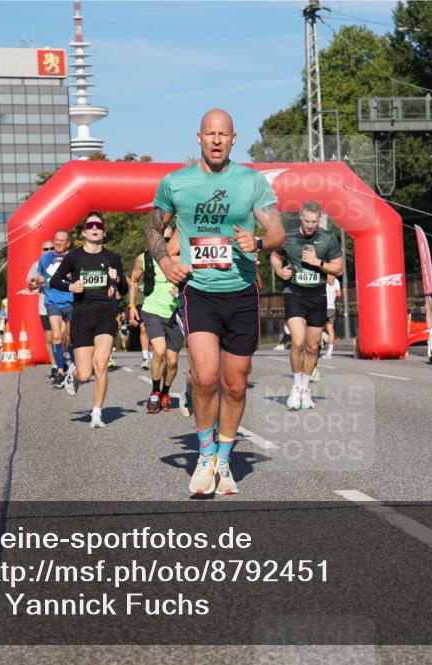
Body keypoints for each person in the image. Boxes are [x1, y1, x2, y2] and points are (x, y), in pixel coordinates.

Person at [147, 107, 285, 495]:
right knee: (205, 378)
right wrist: (166, 261)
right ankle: (205, 455)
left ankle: (224, 459)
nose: (217, 140)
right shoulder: (176, 183)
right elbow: (153, 228)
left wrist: (256, 242)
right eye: (210, 134)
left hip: (241, 291)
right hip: (200, 292)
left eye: (224, 134)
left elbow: (276, 231)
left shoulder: (251, 182)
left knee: (236, 383)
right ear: (199, 138)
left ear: (233, 139)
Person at [49, 214, 128, 428]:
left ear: (103, 232)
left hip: (105, 314)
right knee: (85, 374)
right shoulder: (74, 257)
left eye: (99, 226)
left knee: (101, 365)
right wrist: (70, 287)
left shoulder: (112, 257)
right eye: (90, 226)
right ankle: (73, 375)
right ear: (84, 232)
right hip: (82, 315)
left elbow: (124, 290)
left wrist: (118, 279)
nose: (95, 229)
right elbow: (54, 280)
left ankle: (97, 413)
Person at [270, 200, 343, 410]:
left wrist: (317, 262)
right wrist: (278, 271)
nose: (310, 225)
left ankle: (304, 388)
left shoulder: (328, 239)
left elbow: (338, 270)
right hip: (294, 293)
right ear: (301, 218)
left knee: (312, 346)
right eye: (307, 221)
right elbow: (275, 257)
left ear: (319, 219)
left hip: (317, 296)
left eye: (314, 221)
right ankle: (295, 386)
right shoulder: (289, 238)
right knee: (298, 342)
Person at [131, 226, 183, 414]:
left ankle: (165, 392)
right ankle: (154, 391)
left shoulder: (183, 259)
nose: (165, 244)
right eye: (161, 240)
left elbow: (197, 282)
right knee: (159, 351)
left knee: (173, 361)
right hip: (152, 311)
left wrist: (182, 290)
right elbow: (135, 281)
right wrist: (132, 307)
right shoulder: (144, 259)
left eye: (169, 240)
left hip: (175, 313)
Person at [38, 230, 75, 387]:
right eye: (56, 240)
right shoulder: (46, 258)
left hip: (71, 301)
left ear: (68, 243)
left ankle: (74, 368)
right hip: (52, 302)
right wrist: (36, 281)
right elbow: (41, 276)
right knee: (57, 336)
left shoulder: (73, 258)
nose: (58, 242)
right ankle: (60, 371)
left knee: (70, 337)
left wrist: (70, 276)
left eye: (62, 240)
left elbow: (80, 276)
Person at [27, 239, 56, 379]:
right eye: (46, 249)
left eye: (52, 248)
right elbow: (30, 285)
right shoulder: (36, 265)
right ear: (41, 251)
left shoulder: (61, 263)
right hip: (45, 306)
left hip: (62, 304)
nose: (49, 251)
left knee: (63, 336)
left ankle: (61, 361)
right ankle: (55, 366)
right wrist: (41, 283)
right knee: (50, 337)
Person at [324, 275, 341, 359]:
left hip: (322, 306)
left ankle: (315, 349)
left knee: (316, 327)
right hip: (331, 307)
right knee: (330, 329)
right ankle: (329, 352)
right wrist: (332, 295)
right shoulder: (336, 280)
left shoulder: (322, 278)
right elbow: (339, 293)